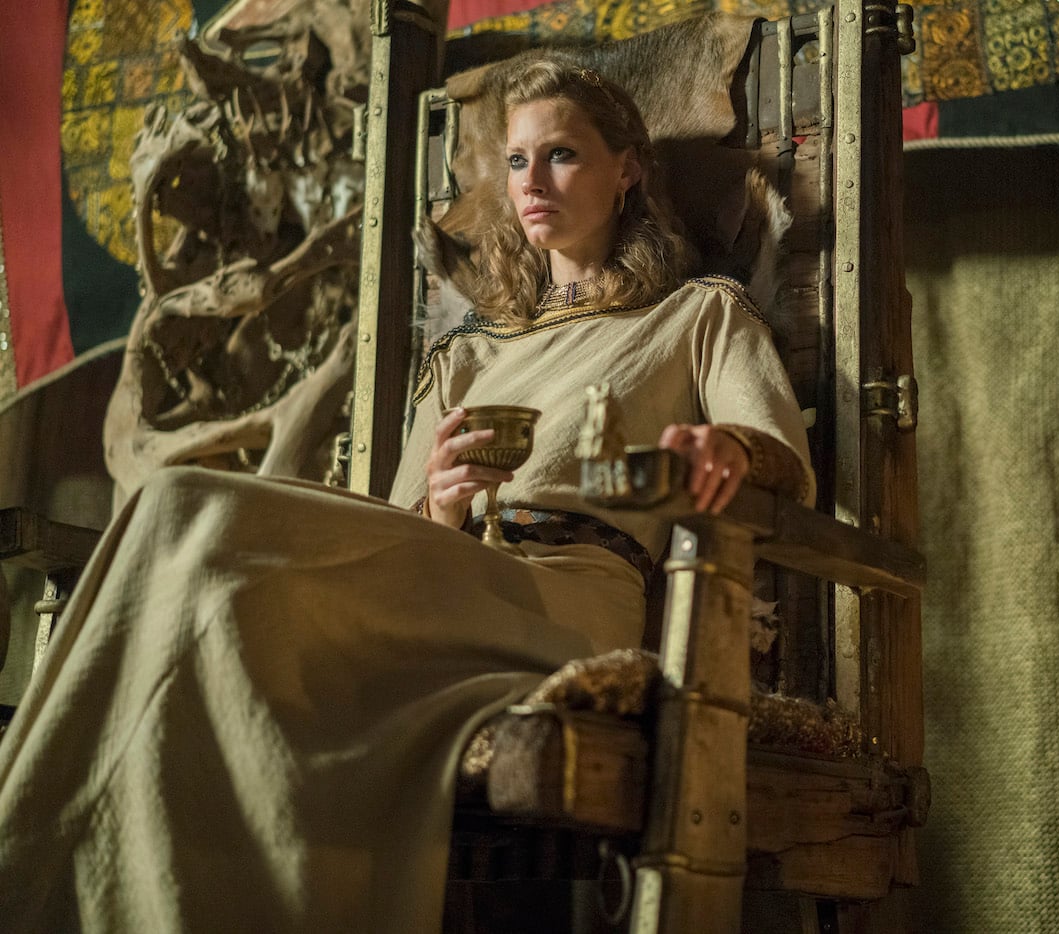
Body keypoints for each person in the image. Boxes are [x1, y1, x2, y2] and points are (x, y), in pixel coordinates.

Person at [0, 58, 814, 932]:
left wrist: (724, 449)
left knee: (188, 510)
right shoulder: (468, 354)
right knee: (171, 517)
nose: (531, 182)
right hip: (447, 575)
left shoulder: (696, 316)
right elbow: (395, 529)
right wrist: (442, 503)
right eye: (517, 160)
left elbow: (781, 459)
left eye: (562, 155)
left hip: (568, 599)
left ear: (628, 170)